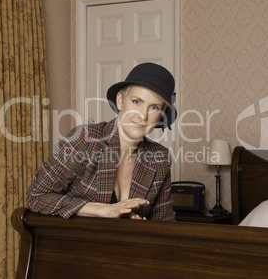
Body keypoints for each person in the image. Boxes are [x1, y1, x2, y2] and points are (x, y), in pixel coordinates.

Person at [26, 62, 177, 221]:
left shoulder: (160, 158)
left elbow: (164, 223)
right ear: (120, 100)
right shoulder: (85, 139)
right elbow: (37, 196)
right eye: (136, 101)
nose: (143, 115)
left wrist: (141, 229)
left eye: (154, 107)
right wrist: (101, 210)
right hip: (72, 243)